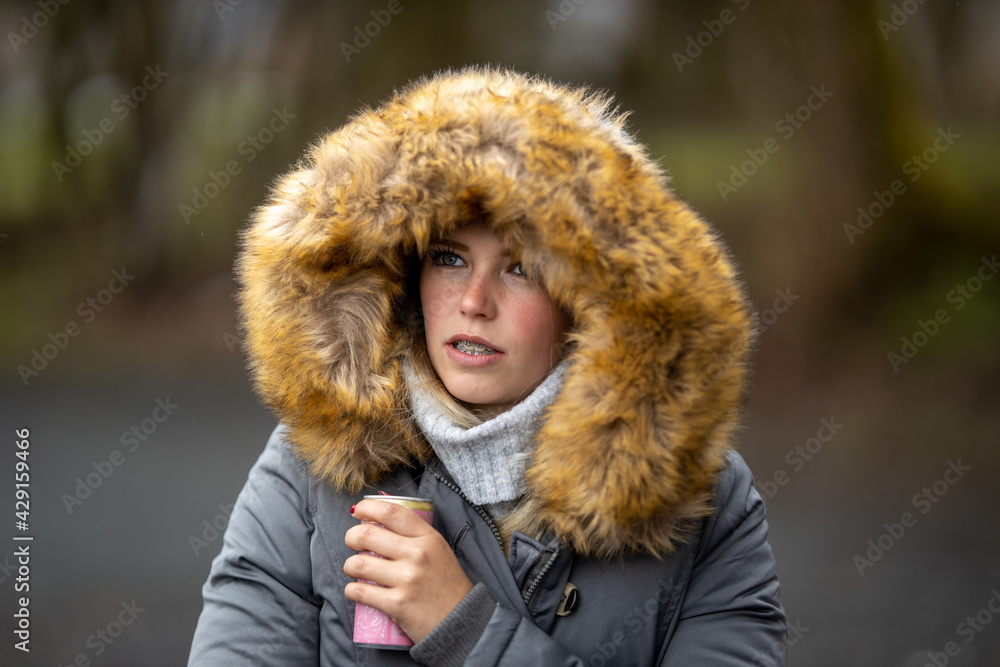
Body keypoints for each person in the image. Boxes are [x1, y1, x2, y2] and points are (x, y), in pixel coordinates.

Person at [187, 65, 787, 666]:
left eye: (520, 268)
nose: (473, 302)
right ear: (404, 273)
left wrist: (464, 628)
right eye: (449, 258)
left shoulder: (703, 499)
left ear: (590, 303)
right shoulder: (313, 471)